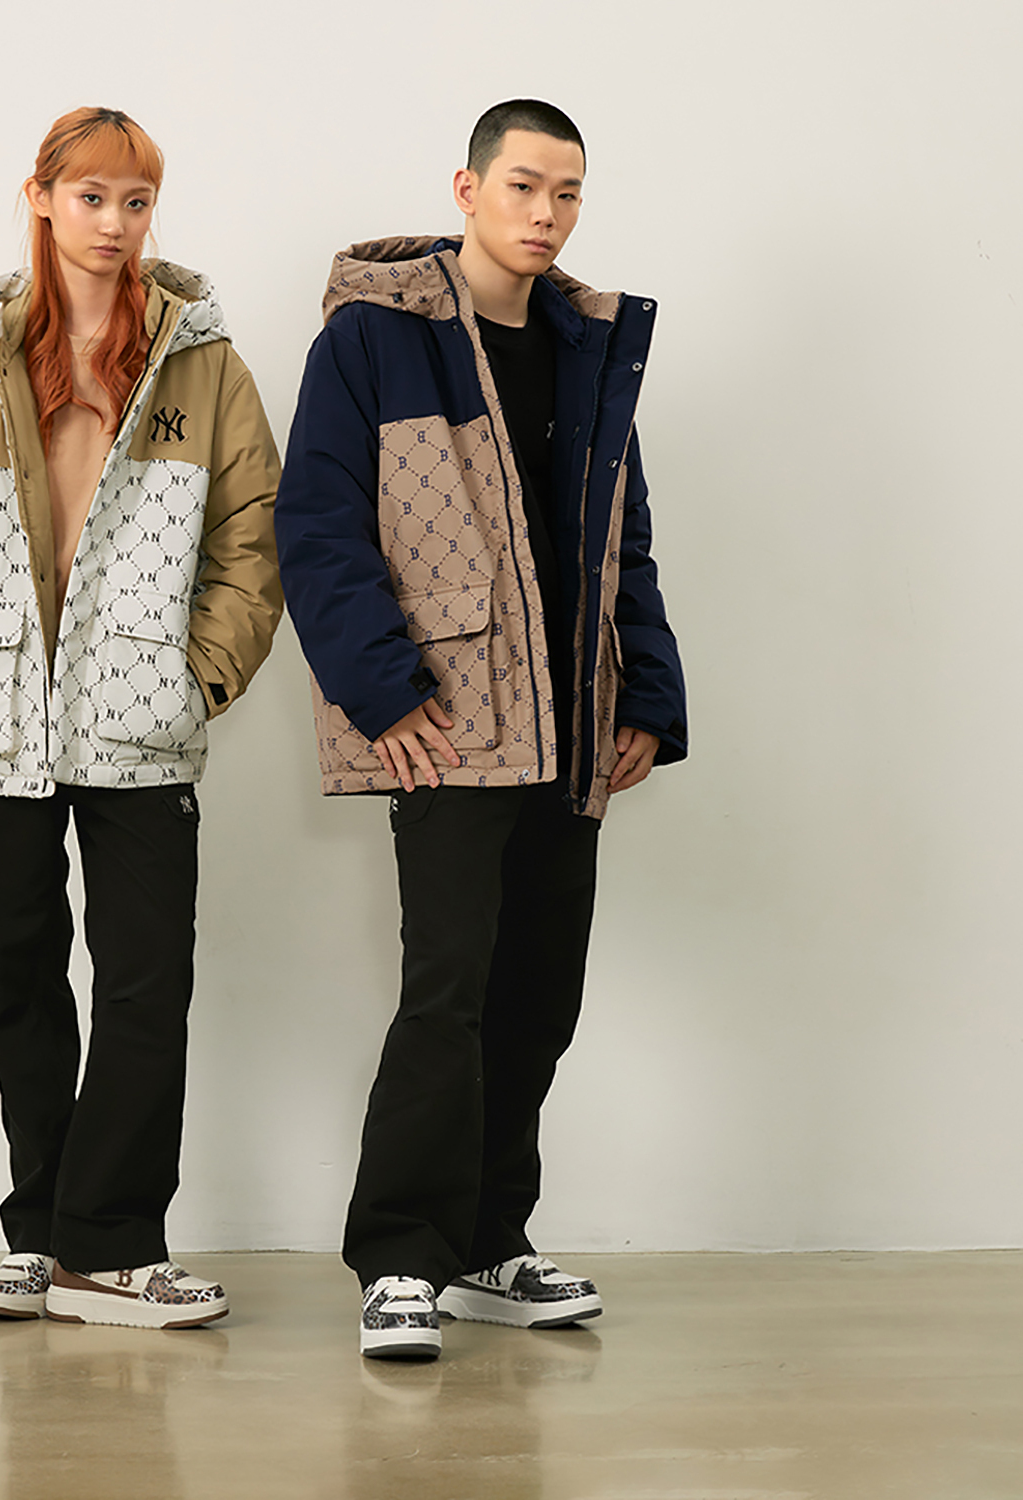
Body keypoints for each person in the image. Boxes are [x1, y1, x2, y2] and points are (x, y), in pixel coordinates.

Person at [275, 99, 687, 1359]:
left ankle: (490, 1245)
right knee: (446, 994)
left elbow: (622, 541)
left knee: (536, 997)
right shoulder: (375, 339)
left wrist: (647, 697)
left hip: (572, 719)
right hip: (453, 722)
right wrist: (382, 692)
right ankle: (400, 1259)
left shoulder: (585, 346)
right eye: (523, 187)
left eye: (568, 192)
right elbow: (319, 523)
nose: (547, 214)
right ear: (467, 190)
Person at [0, 106, 282, 1329]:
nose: (114, 223)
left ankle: (115, 1246)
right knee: (20, 981)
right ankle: (44, 1235)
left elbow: (251, 541)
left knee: (146, 986)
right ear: (42, 197)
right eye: (92, 196)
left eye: (136, 201)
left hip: (140, 723)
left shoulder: (204, 369)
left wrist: (200, 675)